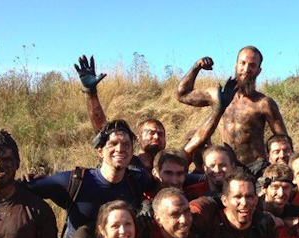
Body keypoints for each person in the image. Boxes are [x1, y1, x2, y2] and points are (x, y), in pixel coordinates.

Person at [74, 55, 237, 172]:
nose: (156, 137)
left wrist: (219, 109)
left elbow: (197, 139)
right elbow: (104, 129)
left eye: (161, 134)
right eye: (150, 133)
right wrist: (91, 93)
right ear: (137, 137)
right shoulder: (128, 160)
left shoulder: (171, 162)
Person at [175, 47, 287, 166]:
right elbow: (182, 94)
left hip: (256, 168)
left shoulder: (264, 103)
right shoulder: (218, 96)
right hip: (227, 167)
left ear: (258, 71)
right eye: (242, 63)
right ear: (236, 65)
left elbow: (283, 140)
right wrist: (197, 66)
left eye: (252, 65)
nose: (246, 69)